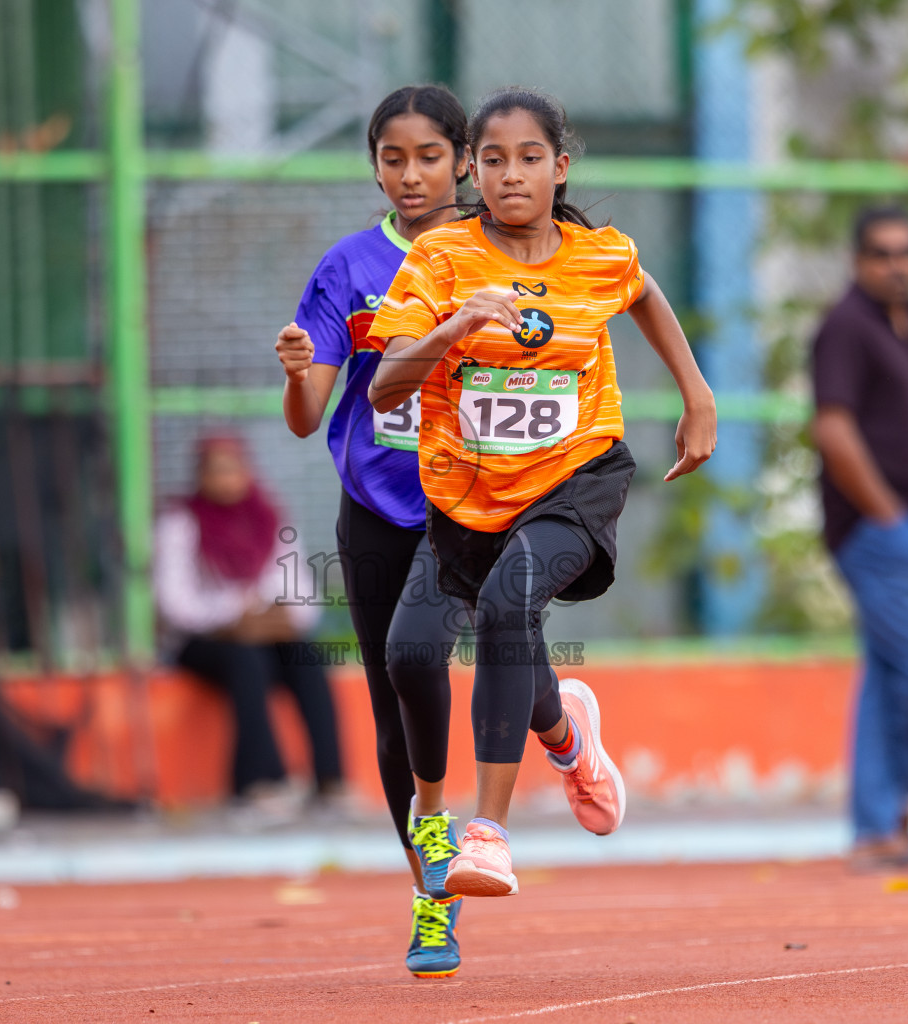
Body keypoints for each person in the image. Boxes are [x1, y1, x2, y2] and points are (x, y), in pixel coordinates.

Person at [369, 87, 716, 899]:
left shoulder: (599, 256)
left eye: (529, 159)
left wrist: (696, 395)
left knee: (507, 603)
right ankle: (566, 739)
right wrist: (457, 325)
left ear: (559, 168)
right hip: (467, 496)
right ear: (472, 169)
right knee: (423, 649)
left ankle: (488, 834)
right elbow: (386, 388)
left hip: (574, 477)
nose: (511, 175)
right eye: (493, 160)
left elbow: (643, 291)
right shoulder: (441, 260)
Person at [274, 84, 469, 978]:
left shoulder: (495, 253)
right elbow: (307, 417)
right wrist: (296, 371)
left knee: (421, 655)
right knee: (394, 702)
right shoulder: (349, 266)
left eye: (429, 156)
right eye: (394, 159)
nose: (411, 175)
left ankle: (558, 725)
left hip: (471, 504)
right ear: (375, 167)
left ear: (462, 160)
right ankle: (432, 899)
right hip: (375, 508)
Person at [809, 206, 908, 872]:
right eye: (883, 253)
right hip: (879, 532)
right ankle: (888, 815)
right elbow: (833, 429)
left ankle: (880, 829)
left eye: (907, 253)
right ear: (857, 260)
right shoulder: (846, 326)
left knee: (891, 675)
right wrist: (889, 516)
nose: (898, 265)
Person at [153, 434, 343, 818]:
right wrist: (234, 614)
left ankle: (331, 780)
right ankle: (259, 781)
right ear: (201, 476)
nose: (226, 479)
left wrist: (273, 616)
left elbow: (302, 595)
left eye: (233, 469)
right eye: (216, 471)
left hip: (264, 634)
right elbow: (176, 605)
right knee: (246, 660)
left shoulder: (268, 518)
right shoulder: (181, 522)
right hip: (203, 640)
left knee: (307, 657)